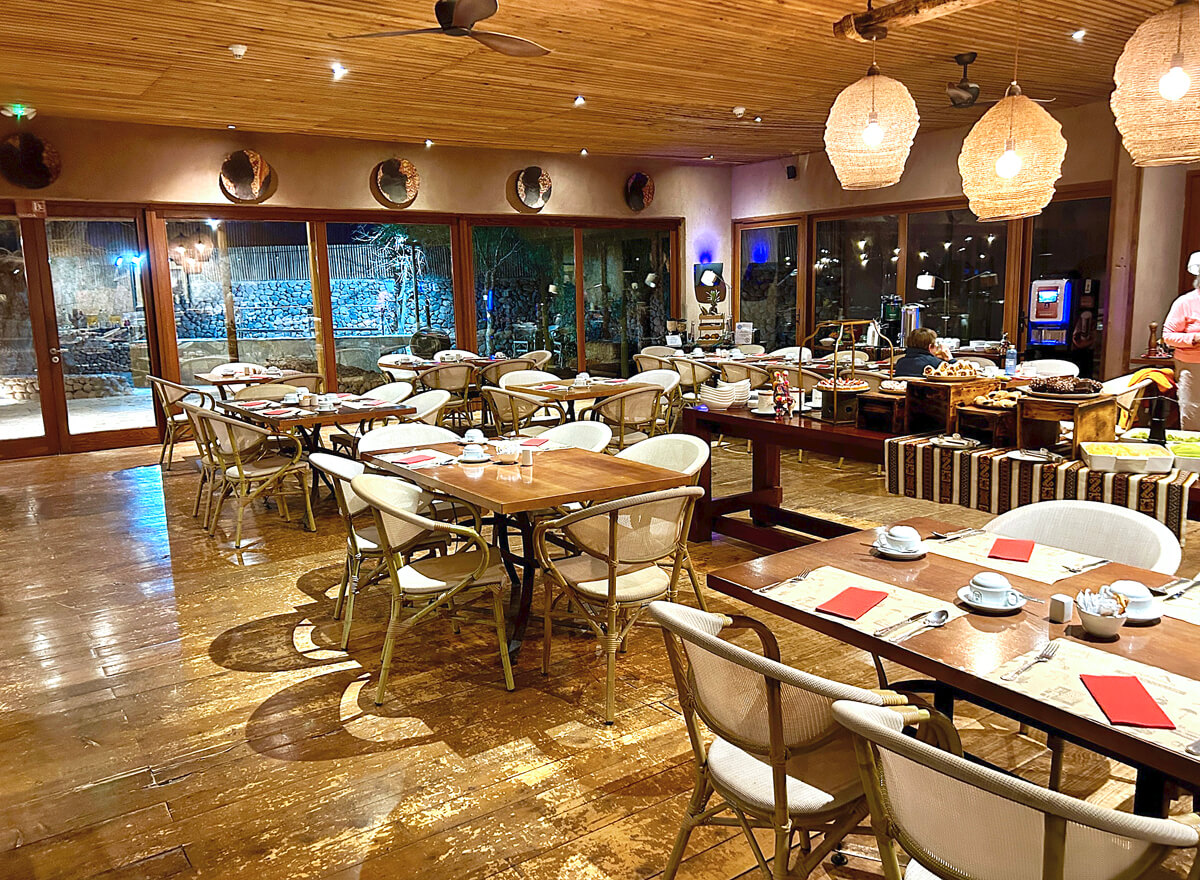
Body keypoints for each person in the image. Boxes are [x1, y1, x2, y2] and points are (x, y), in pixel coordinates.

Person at [1162, 251, 1200, 429]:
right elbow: (1168, 336)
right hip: (1192, 367)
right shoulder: (1185, 302)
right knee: (1193, 414)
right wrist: (1195, 338)